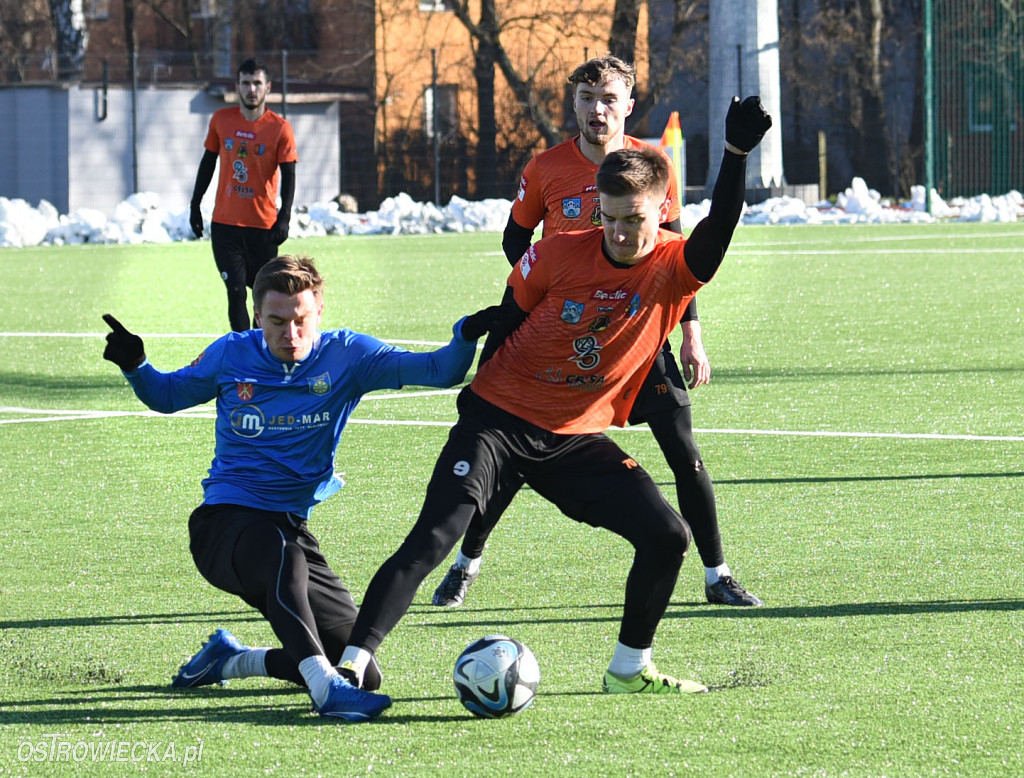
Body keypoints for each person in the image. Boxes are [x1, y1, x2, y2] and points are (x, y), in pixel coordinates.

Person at [325, 95, 772, 721]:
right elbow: (511, 315)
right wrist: (477, 404)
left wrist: (734, 156)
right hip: (498, 420)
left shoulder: (675, 267)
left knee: (667, 536)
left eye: (634, 219)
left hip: (571, 438)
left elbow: (719, 228)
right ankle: (351, 665)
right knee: (436, 535)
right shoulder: (559, 252)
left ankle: (629, 669)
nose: (620, 232)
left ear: (659, 214)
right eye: (610, 217)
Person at [101, 254, 499, 722]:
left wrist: (466, 335)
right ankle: (327, 694)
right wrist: (137, 365)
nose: (290, 334)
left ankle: (230, 660)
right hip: (224, 527)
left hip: (290, 530)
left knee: (360, 670)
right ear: (256, 317)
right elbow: (167, 396)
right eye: (276, 321)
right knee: (280, 555)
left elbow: (438, 371)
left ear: (319, 312)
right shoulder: (232, 354)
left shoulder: (349, 356)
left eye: (300, 320)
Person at [431, 55, 761, 610]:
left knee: (685, 453)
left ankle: (716, 574)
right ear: (574, 104)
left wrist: (691, 332)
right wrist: (551, 293)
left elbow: (681, 252)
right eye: (587, 98)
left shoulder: (655, 165)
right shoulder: (546, 168)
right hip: (562, 343)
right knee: (514, 456)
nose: (597, 109)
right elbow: (518, 242)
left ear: (628, 105)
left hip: (639, 334)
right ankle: (468, 562)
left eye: (608, 98)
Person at [190, 57, 298, 333]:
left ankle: (261, 349)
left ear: (268, 87)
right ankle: (243, 352)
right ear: (237, 86)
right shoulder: (221, 120)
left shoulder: (280, 128)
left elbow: (289, 174)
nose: (252, 89)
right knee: (236, 290)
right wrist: (195, 204)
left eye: (257, 83)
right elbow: (208, 163)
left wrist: (284, 218)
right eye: (246, 83)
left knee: (262, 296)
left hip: (263, 228)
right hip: (226, 226)